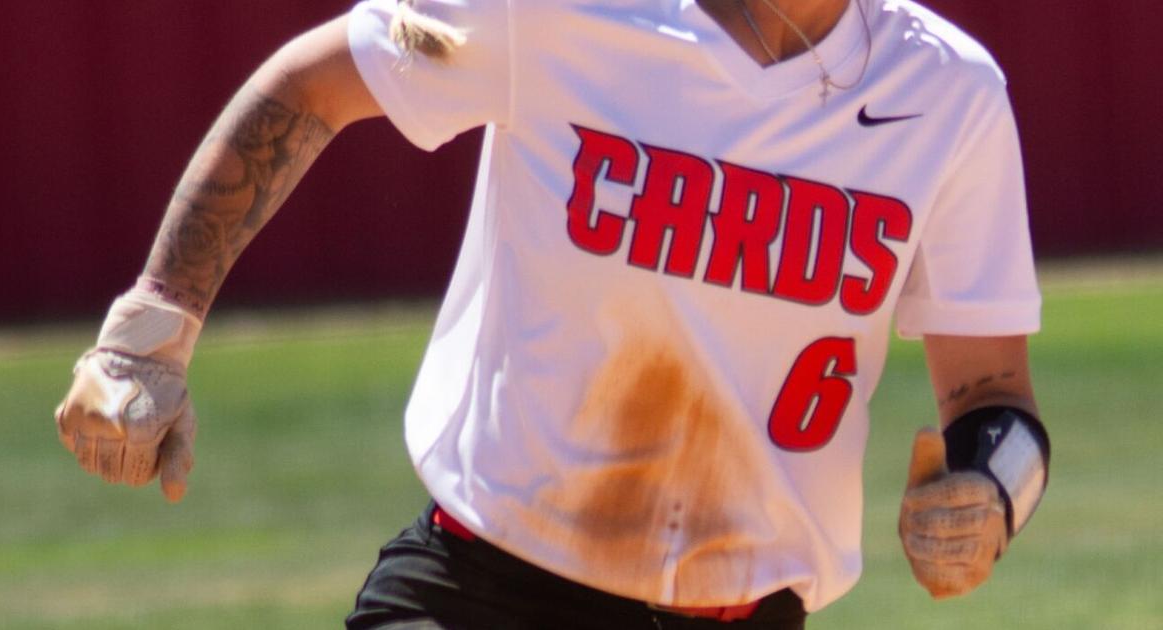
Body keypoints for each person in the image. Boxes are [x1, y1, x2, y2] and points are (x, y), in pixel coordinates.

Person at [54, 0, 1052, 628]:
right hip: (486, 588)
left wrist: (989, 496)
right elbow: (311, 87)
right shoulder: (559, 12)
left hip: (745, 610)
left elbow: (993, 394)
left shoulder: (948, 96)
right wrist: (150, 329)